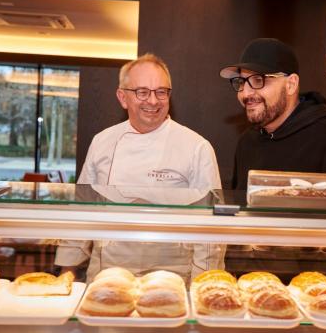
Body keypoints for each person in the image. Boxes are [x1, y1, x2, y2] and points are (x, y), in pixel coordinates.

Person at [55, 53, 224, 282]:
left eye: (161, 92)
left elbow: (210, 227)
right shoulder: (102, 142)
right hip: (107, 275)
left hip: (172, 279)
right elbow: (82, 209)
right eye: (142, 92)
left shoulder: (197, 147)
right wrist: (68, 268)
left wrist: (203, 283)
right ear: (123, 97)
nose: (153, 101)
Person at [220, 38, 326, 197]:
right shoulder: (247, 142)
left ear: (291, 84)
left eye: (259, 80)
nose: (245, 94)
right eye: (241, 82)